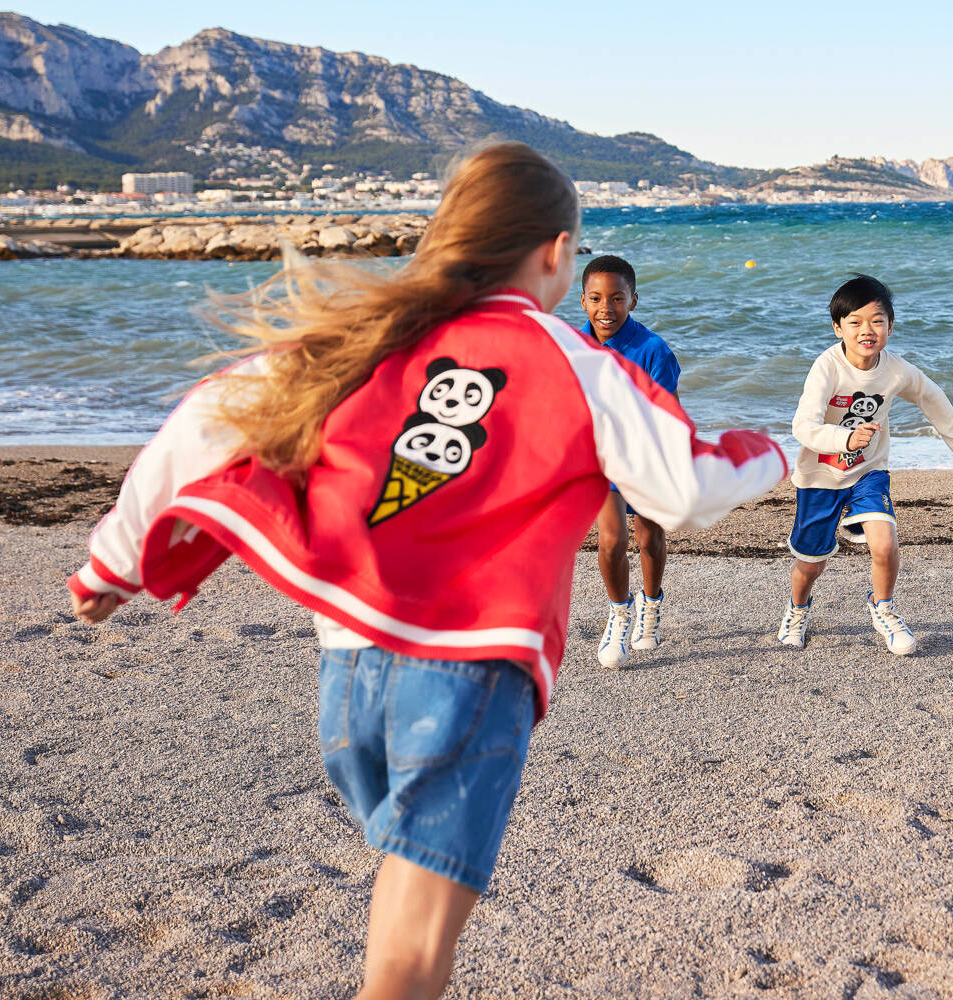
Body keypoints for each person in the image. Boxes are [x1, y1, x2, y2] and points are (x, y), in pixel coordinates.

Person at [67, 143, 786, 1000]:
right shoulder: (575, 362)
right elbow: (685, 489)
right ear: (557, 253)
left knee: (400, 915)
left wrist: (110, 565)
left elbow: (208, 418)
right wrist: (785, 452)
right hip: (469, 682)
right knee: (409, 963)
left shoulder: (365, 336)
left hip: (348, 685)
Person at [778, 273, 953, 654]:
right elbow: (802, 425)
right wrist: (843, 438)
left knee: (885, 543)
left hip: (869, 471)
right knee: (811, 564)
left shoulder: (898, 371)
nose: (866, 330)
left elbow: (936, 403)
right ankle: (797, 609)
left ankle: (883, 607)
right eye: (855, 322)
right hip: (821, 475)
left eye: (876, 321)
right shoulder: (827, 366)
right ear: (838, 327)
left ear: (890, 325)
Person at [578, 255, 681, 667]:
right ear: (582, 301)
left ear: (633, 301)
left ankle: (651, 607)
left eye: (617, 298)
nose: (607, 308)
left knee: (648, 539)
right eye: (597, 298)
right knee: (611, 540)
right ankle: (620, 612)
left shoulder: (654, 350)